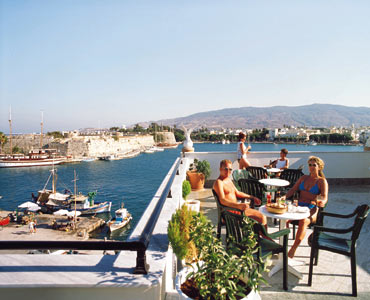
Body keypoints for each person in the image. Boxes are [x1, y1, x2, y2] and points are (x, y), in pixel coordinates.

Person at [284, 156, 328, 258]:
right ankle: (283, 245)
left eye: (314, 165)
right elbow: (293, 190)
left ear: (319, 167)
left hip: (312, 208)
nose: (311, 167)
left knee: (303, 221)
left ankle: (293, 249)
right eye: (310, 165)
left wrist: (322, 202)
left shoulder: (322, 181)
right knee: (283, 218)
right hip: (299, 206)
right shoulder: (303, 178)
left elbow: (325, 197)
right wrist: (284, 197)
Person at [213, 159, 267, 226]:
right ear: (220, 169)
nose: (228, 171)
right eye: (226, 169)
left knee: (260, 218)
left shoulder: (228, 180)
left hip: (235, 210)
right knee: (261, 217)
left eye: (230, 169)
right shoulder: (219, 182)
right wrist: (238, 206)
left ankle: (260, 235)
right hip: (230, 213)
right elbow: (222, 200)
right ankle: (264, 236)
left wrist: (252, 197)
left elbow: (237, 193)